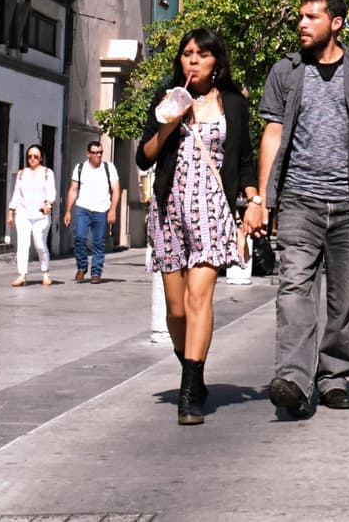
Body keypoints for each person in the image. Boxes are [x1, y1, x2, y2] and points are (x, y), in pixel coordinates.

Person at [245, 0, 349, 418]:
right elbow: (272, 134)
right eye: (300, 16)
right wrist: (262, 198)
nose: (301, 24)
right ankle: (294, 379)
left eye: (312, 17)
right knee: (293, 288)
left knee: (345, 296)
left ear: (336, 23)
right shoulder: (286, 72)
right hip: (298, 201)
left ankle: (332, 376)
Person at [137, 28, 258, 426]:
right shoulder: (168, 98)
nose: (193, 60)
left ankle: (190, 390)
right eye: (187, 53)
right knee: (175, 309)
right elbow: (144, 156)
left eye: (202, 54)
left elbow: (243, 161)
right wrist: (170, 121)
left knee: (198, 298)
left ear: (215, 62)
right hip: (170, 206)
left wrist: (254, 201)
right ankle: (193, 367)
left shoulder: (234, 105)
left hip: (210, 209)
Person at [63, 140, 120, 284]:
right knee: (79, 238)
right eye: (94, 153)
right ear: (88, 154)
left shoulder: (109, 168)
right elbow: (73, 190)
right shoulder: (80, 168)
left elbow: (116, 190)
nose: (98, 156)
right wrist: (68, 210)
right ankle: (82, 266)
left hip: (101, 210)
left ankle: (96, 272)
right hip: (83, 208)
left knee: (98, 243)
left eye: (100, 153)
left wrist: (113, 210)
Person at [7, 144, 56, 288]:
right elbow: (16, 193)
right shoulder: (22, 174)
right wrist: (11, 211)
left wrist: (48, 204)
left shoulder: (47, 172)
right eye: (29, 156)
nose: (32, 159)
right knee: (23, 244)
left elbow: (51, 191)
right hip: (23, 213)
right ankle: (22, 275)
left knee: (39, 243)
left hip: (40, 215)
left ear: (41, 157)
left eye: (35, 156)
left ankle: (45, 272)